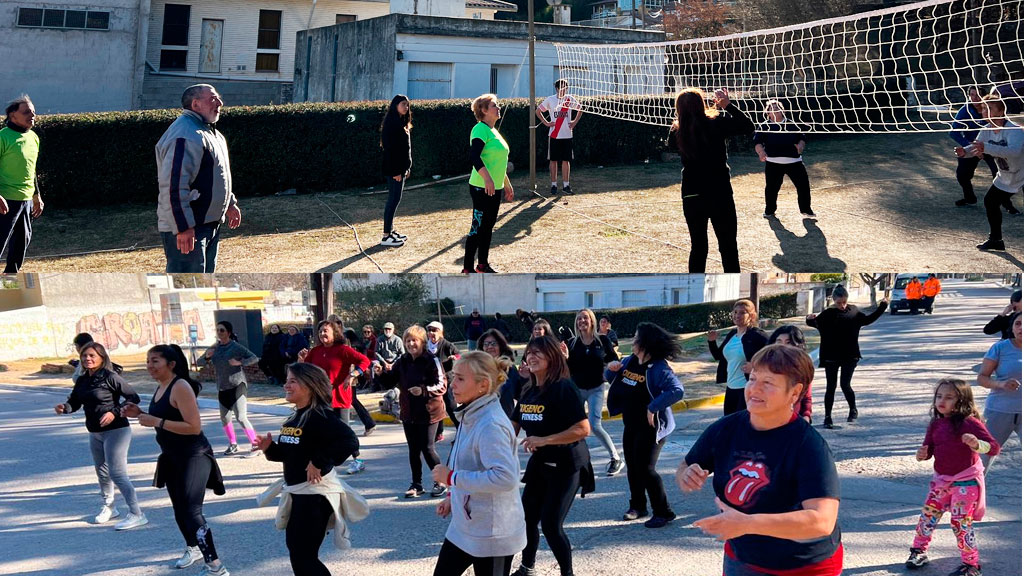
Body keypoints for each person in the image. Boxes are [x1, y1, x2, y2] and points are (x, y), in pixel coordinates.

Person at [677, 345, 843, 576]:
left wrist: (748, 524)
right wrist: (687, 475)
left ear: (795, 393)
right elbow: (687, 465)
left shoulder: (808, 445)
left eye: (768, 382)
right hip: (743, 558)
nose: (755, 388)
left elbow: (821, 521)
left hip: (804, 565)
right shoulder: (726, 429)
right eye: (752, 378)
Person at [122, 345, 228, 575]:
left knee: (192, 511)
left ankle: (216, 567)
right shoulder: (162, 386)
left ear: (171, 364)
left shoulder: (180, 386)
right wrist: (139, 413)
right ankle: (194, 548)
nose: (149, 365)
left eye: (155, 361)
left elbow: (194, 427)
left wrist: (155, 422)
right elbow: (163, 417)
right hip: (172, 457)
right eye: (148, 360)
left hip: (194, 455)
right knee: (180, 510)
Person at [256, 362, 362, 576]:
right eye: (286, 380)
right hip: (298, 495)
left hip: (315, 497)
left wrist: (319, 462)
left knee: (304, 556)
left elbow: (349, 441)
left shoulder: (320, 417)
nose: (286, 385)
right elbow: (287, 456)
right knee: (298, 553)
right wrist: (269, 449)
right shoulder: (294, 418)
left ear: (311, 386)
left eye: (293, 381)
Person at [430, 352, 526, 576]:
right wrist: (452, 496)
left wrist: (451, 477)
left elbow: (505, 477)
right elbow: (471, 464)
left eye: (461, 379)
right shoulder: (471, 411)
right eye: (454, 377)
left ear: (483, 385)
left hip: (493, 534)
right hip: (465, 526)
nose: (452, 384)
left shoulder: (491, 423)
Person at [511, 335, 594, 576]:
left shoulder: (563, 388)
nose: (532, 356)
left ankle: (567, 573)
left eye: (539, 352)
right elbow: (512, 426)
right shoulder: (529, 391)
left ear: (553, 357)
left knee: (550, 525)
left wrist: (544, 440)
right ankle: (528, 567)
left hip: (568, 464)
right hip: (540, 465)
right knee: (526, 519)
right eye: (529, 352)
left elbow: (583, 429)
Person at [906, 379, 1000, 576]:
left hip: (966, 482)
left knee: (960, 522)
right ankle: (918, 551)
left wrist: (976, 445)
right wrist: (921, 455)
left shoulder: (969, 423)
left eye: (949, 397)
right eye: (939, 396)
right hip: (941, 481)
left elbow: (994, 447)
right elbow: (928, 450)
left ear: (962, 401)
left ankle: (971, 564)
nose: (942, 401)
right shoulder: (936, 423)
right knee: (927, 517)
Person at [54, 342, 147, 530]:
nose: (87, 359)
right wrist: (64, 408)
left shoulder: (110, 377)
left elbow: (133, 397)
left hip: (116, 430)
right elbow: (74, 402)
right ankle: (109, 507)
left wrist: (114, 411)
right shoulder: (82, 380)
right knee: (102, 473)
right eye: (84, 356)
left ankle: (137, 513)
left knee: (117, 473)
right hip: (94, 432)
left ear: (102, 358)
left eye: (92, 356)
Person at [605, 322, 685, 528]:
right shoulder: (630, 361)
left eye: (636, 338)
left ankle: (664, 511)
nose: (632, 341)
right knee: (633, 467)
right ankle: (638, 506)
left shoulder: (659, 368)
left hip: (652, 428)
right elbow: (614, 380)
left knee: (646, 469)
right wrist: (611, 370)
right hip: (630, 424)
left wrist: (653, 407)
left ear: (646, 343)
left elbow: (677, 390)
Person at [156, 84, 241, 273]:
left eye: (218, 98)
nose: (219, 103)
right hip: (189, 229)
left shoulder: (209, 133)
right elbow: (174, 185)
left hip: (208, 225)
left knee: (202, 284)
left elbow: (216, 175)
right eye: (213, 99)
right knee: (187, 286)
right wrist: (183, 227)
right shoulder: (185, 134)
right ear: (195, 104)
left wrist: (229, 203)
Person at [668, 87, 755, 272]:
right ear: (701, 104)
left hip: (692, 195)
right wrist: (727, 105)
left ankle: (695, 289)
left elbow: (671, 146)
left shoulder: (676, 131)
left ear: (679, 109)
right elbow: (748, 127)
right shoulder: (716, 123)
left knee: (698, 248)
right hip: (720, 193)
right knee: (728, 247)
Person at [806, 284, 888, 429]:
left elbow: (868, 320)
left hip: (850, 355)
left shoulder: (854, 311)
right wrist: (809, 318)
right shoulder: (827, 314)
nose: (842, 305)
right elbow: (813, 323)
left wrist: (882, 307)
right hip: (831, 356)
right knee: (830, 387)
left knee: (845, 384)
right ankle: (827, 417)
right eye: (839, 303)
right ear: (833, 300)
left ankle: (853, 409)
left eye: (844, 302)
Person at [299, 320, 373, 472]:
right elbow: (305, 370)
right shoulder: (315, 351)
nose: (322, 334)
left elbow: (364, 361)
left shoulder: (343, 349)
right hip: (320, 397)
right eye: (320, 331)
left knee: (344, 432)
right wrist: (300, 360)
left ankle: (358, 460)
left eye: (325, 331)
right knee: (322, 431)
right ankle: (322, 462)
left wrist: (352, 375)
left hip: (339, 396)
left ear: (334, 333)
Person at [960, 94, 1023, 251]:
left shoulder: (1014, 130)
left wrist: (985, 148)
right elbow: (977, 147)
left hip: (1023, 174)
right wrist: (964, 152)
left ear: (1001, 111)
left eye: (990, 108)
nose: (985, 111)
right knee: (990, 201)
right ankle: (996, 240)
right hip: (1006, 175)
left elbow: (1014, 152)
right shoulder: (986, 130)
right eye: (983, 109)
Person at [566, 308, 622, 476]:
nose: (581, 321)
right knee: (573, 425)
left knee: (594, 425)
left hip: (596, 388)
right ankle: (574, 460)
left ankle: (615, 458)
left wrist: (612, 364)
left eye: (585, 318)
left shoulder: (602, 340)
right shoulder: (572, 343)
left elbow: (613, 358)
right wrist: (564, 357)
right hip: (577, 389)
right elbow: (567, 368)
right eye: (579, 319)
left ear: (592, 321)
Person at [395, 325, 448, 498]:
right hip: (408, 412)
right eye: (407, 341)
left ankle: (441, 481)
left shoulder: (431, 360)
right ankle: (416, 484)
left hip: (429, 412)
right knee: (413, 449)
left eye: (414, 340)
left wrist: (423, 390)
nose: (411, 344)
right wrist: (379, 373)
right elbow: (389, 380)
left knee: (428, 448)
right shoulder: (402, 360)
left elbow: (442, 385)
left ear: (422, 342)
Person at [464, 93, 514, 274]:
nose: (498, 108)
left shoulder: (494, 131)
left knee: (488, 227)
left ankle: (482, 265)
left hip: (495, 187)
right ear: (484, 110)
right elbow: (474, 157)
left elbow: (498, 163)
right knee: (477, 228)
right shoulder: (480, 129)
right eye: (494, 105)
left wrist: (506, 185)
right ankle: (467, 267)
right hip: (480, 186)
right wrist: (487, 179)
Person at [195, 321, 261, 456]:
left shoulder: (235, 347)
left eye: (222, 330)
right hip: (222, 386)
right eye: (218, 330)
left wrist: (240, 362)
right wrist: (207, 357)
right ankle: (233, 444)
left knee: (241, 417)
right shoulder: (214, 348)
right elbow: (199, 362)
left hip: (237, 385)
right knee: (225, 418)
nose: (219, 333)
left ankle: (256, 445)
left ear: (228, 333)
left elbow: (254, 358)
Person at [0, 94, 43, 273]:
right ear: (13, 116)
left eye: (33, 112)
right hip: (4, 202)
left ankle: (8, 289)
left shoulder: (33, 137)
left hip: (25, 202)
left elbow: (31, 169)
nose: (32, 115)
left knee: (19, 249)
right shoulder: (2, 137)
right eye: (26, 112)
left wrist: (36, 195)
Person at [976, 311, 1021, 472]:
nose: (1021, 328)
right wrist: (1000, 384)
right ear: (1012, 327)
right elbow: (981, 378)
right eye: (1018, 323)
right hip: (999, 411)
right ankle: (969, 495)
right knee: (983, 457)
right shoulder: (1000, 348)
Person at [753, 99, 814, 217]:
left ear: (783, 111)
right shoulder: (764, 126)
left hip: (794, 162)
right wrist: (761, 152)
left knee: (803, 186)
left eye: (777, 108)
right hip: (773, 163)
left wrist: (800, 146)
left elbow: (802, 137)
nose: (775, 110)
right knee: (771, 188)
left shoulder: (791, 124)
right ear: (768, 113)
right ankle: (769, 211)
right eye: (772, 109)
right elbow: (757, 142)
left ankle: (806, 210)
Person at [707, 299, 768, 415]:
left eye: (742, 312)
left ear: (751, 315)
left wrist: (755, 366)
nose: (737, 315)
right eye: (735, 312)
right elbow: (718, 356)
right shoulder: (732, 334)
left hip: (748, 388)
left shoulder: (757, 335)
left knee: (743, 425)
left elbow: (774, 355)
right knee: (730, 424)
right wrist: (712, 341)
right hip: (731, 387)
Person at [950, 88, 1001, 208]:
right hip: (972, 147)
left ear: (984, 97)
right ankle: (969, 198)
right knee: (962, 174)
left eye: (978, 95)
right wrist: (968, 145)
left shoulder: (991, 109)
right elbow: (953, 131)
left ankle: (1005, 203)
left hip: (991, 146)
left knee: (999, 174)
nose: (975, 98)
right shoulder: (965, 110)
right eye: (972, 95)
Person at [536, 79, 582, 196]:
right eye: (562, 87)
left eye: (566, 87)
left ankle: (566, 185)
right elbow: (538, 111)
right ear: (556, 88)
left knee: (566, 160)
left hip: (567, 135)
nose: (564, 89)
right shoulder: (550, 100)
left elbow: (580, 109)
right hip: (554, 135)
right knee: (553, 160)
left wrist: (574, 122)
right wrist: (546, 123)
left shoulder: (569, 99)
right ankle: (554, 185)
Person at [380, 94, 412, 247]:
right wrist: (396, 172)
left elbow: (405, 150)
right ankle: (386, 236)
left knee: (395, 199)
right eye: (403, 104)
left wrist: (407, 167)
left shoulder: (401, 123)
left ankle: (391, 231)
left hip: (401, 169)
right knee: (393, 200)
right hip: (394, 170)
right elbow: (390, 150)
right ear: (395, 105)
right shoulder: (391, 124)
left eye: (407, 105)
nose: (406, 107)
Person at [768, 325, 814, 422]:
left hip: (793, 421)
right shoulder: (765, 366)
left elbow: (806, 397)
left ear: (797, 345)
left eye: (788, 342)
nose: (783, 346)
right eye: (779, 341)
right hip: (767, 420)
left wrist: (806, 416)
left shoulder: (803, 368)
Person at [477, 328, 525, 418]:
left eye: (494, 343)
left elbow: (521, 395)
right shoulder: (476, 369)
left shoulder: (509, 369)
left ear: (501, 346)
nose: (490, 347)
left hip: (504, 419)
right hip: (480, 419)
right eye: (486, 344)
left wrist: (525, 378)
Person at [427, 321, 461, 441]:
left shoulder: (446, 344)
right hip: (432, 380)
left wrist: (453, 357)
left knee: (450, 406)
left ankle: (461, 431)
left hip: (447, 379)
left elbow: (458, 355)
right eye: (430, 330)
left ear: (441, 332)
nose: (432, 333)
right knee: (436, 406)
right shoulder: (426, 346)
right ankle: (438, 433)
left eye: (435, 330)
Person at [374, 321, 405, 391]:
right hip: (383, 361)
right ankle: (376, 387)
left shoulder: (398, 340)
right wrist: (384, 362)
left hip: (395, 361)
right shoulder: (379, 340)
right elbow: (376, 353)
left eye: (389, 329)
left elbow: (402, 353)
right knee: (375, 366)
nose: (387, 330)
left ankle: (400, 385)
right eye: (386, 329)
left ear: (393, 330)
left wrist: (394, 363)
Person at [358, 325, 378, 390]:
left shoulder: (374, 340)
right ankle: (361, 383)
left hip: (372, 358)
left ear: (371, 332)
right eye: (365, 332)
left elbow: (375, 352)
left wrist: (365, 350)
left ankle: (370, 383)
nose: (366, 333)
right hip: (363, 357)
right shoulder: (361, 340)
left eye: (368, 332)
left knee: (367, 366)